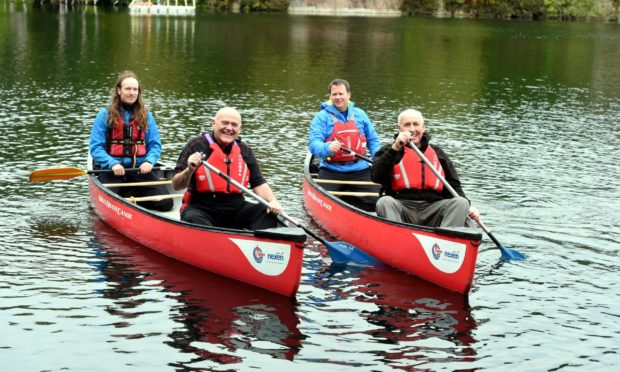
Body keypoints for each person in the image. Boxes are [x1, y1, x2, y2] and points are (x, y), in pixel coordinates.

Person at [171, 107, 283, 230]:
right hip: (202, 207)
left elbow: (258, 183)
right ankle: (211, 242)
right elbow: (176, 185)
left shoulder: (244, 150)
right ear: (213, 123)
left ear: (239, 129)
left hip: (236, 207)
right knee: (193, 218)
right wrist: (189, 170)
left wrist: (273, 201)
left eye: (234, 125)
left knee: (266, 211)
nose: (229, 128)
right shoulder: (196, 145)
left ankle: (255, 245)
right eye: (224, 123)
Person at [371, 109, 480, 228]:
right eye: (407, 125)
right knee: (384, 202)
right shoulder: (390, 150)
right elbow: (376, 177)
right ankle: (399, 237)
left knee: (461, 203)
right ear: (399, 128)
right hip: (402, 207)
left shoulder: (438, 153)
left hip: (433, 209)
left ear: (423, 127)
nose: (412, 129)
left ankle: (444, 241)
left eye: (416, 124)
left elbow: (454, 186)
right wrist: (395, 147)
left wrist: (468, 208)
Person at [89, 71, 172, 212]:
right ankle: (125, 197)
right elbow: (95, 147)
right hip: (112, 170)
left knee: (165, 204)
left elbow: (155, 145)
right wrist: (112, 163)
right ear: (119, 91)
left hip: (139, 170)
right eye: (128, 89)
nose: (132, 93)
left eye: (135, 89)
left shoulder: (146, 116)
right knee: (111, 205)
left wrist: (149, 161)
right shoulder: (105, 114)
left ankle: (130, 199)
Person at [308, 78, 381, 212]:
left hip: (360, 169)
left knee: (379, 202)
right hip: (331, 169)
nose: (338, 97)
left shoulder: (360, 114)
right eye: (334, 94)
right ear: (330, 96)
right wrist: (327, 147)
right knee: (323, 204)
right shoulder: (321, 117)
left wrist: (378, 159)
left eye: (341, 93)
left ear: (349, 95)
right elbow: (313, 144)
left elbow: (373, 141)